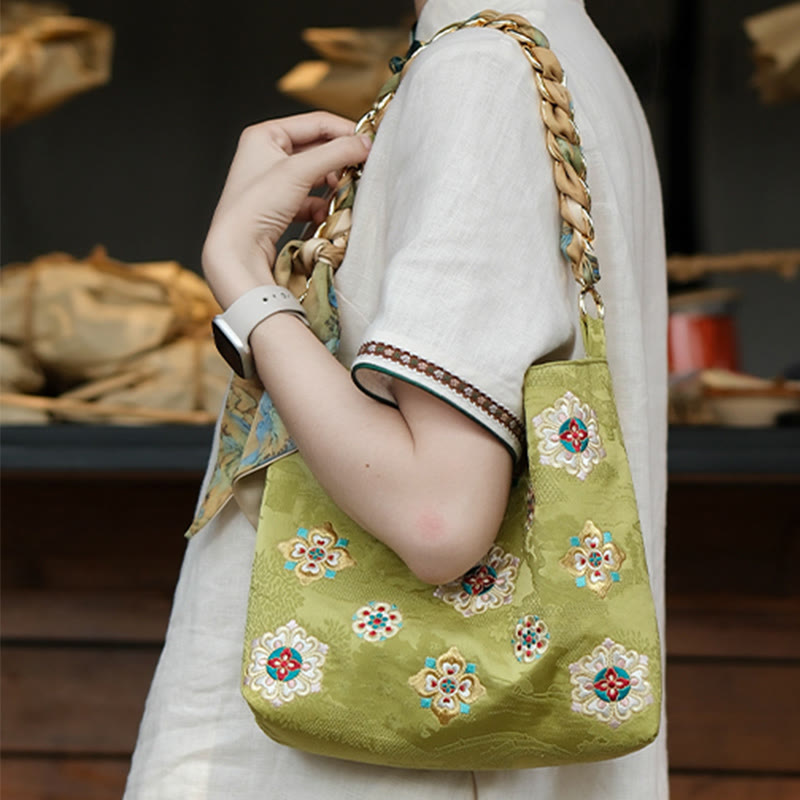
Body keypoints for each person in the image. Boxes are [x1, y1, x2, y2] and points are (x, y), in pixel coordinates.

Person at [124, 0, 668, 797]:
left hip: (374, 759)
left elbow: (437, 515)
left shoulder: (477, 73)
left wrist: (241, 274)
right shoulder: (555, 51)